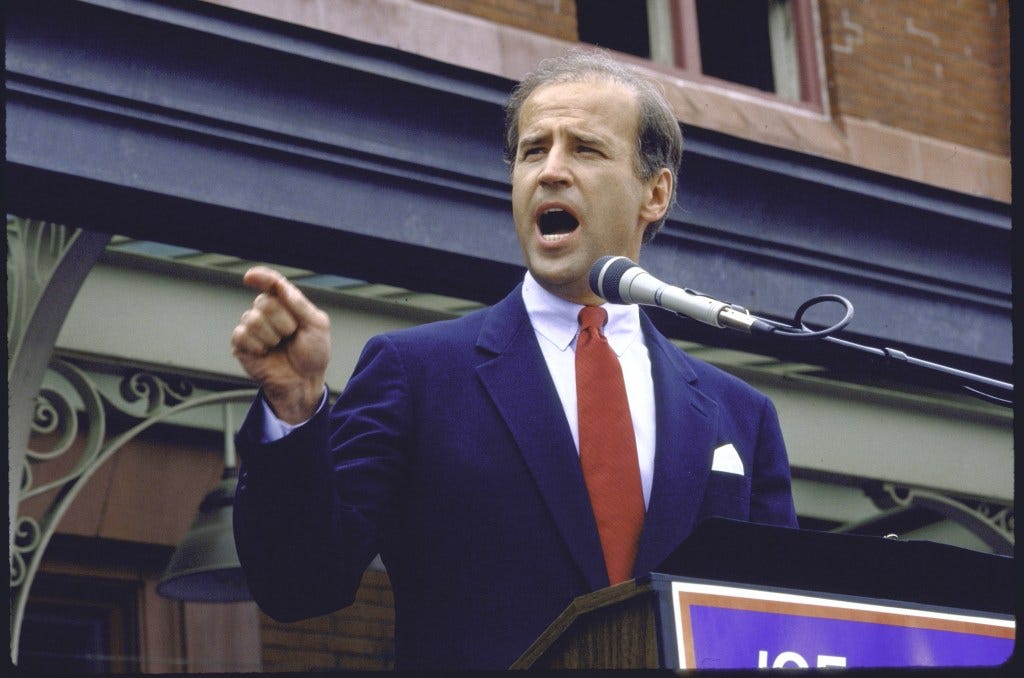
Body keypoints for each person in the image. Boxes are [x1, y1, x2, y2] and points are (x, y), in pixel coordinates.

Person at [230, 49, 798, 670]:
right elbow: (299, 586)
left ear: (654, 193)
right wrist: (294, 407)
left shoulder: (739, 417)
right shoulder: (416, 374)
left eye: (584, 148)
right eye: (533, 151)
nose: (550, 171)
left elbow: (778, 625)